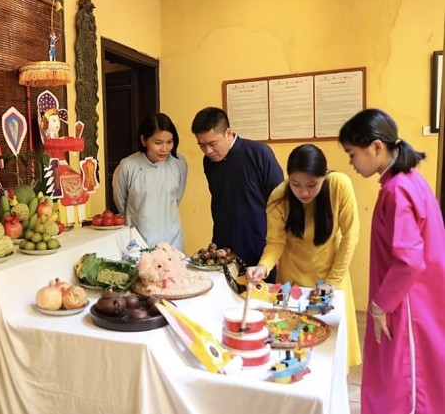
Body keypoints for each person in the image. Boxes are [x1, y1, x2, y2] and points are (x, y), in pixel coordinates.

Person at [338, 108, 445, 414]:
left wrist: (379, 305)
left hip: (408, 303)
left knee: (406, 384)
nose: (351, 163)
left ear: (376, 147)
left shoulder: (398, 191)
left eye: (352, 153)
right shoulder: (409, 181)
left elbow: (409, 261)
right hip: (416, 298)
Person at [246, 144, 362, 368]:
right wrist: (263, 266)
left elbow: (350, 236)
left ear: (324, 176)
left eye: (312, 184)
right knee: (295, 348)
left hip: (331, 278)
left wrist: (331, 283)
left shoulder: (339, 185)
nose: (304, 192)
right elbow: (275, 243)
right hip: (293, 280)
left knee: (330, 354)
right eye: (296, 184)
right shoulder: (279, 196)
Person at [191, 107, 283, 281]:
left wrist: (279, 252)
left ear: (228, 133)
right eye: (202, 145)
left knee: (259, 298)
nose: (208, 151)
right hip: (223, 245)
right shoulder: (209, 162)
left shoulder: (259, 153)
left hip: (259, 242)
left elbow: (280, 203)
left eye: (212, 144)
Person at [113, 113, 188, 251]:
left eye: (169, 142)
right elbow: (121, 203)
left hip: (173, 239)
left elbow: (176, 197)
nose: (164, 149)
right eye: (158, 143)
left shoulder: (179, 163)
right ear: (143, 140)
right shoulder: (128, 166)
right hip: (138, 240)